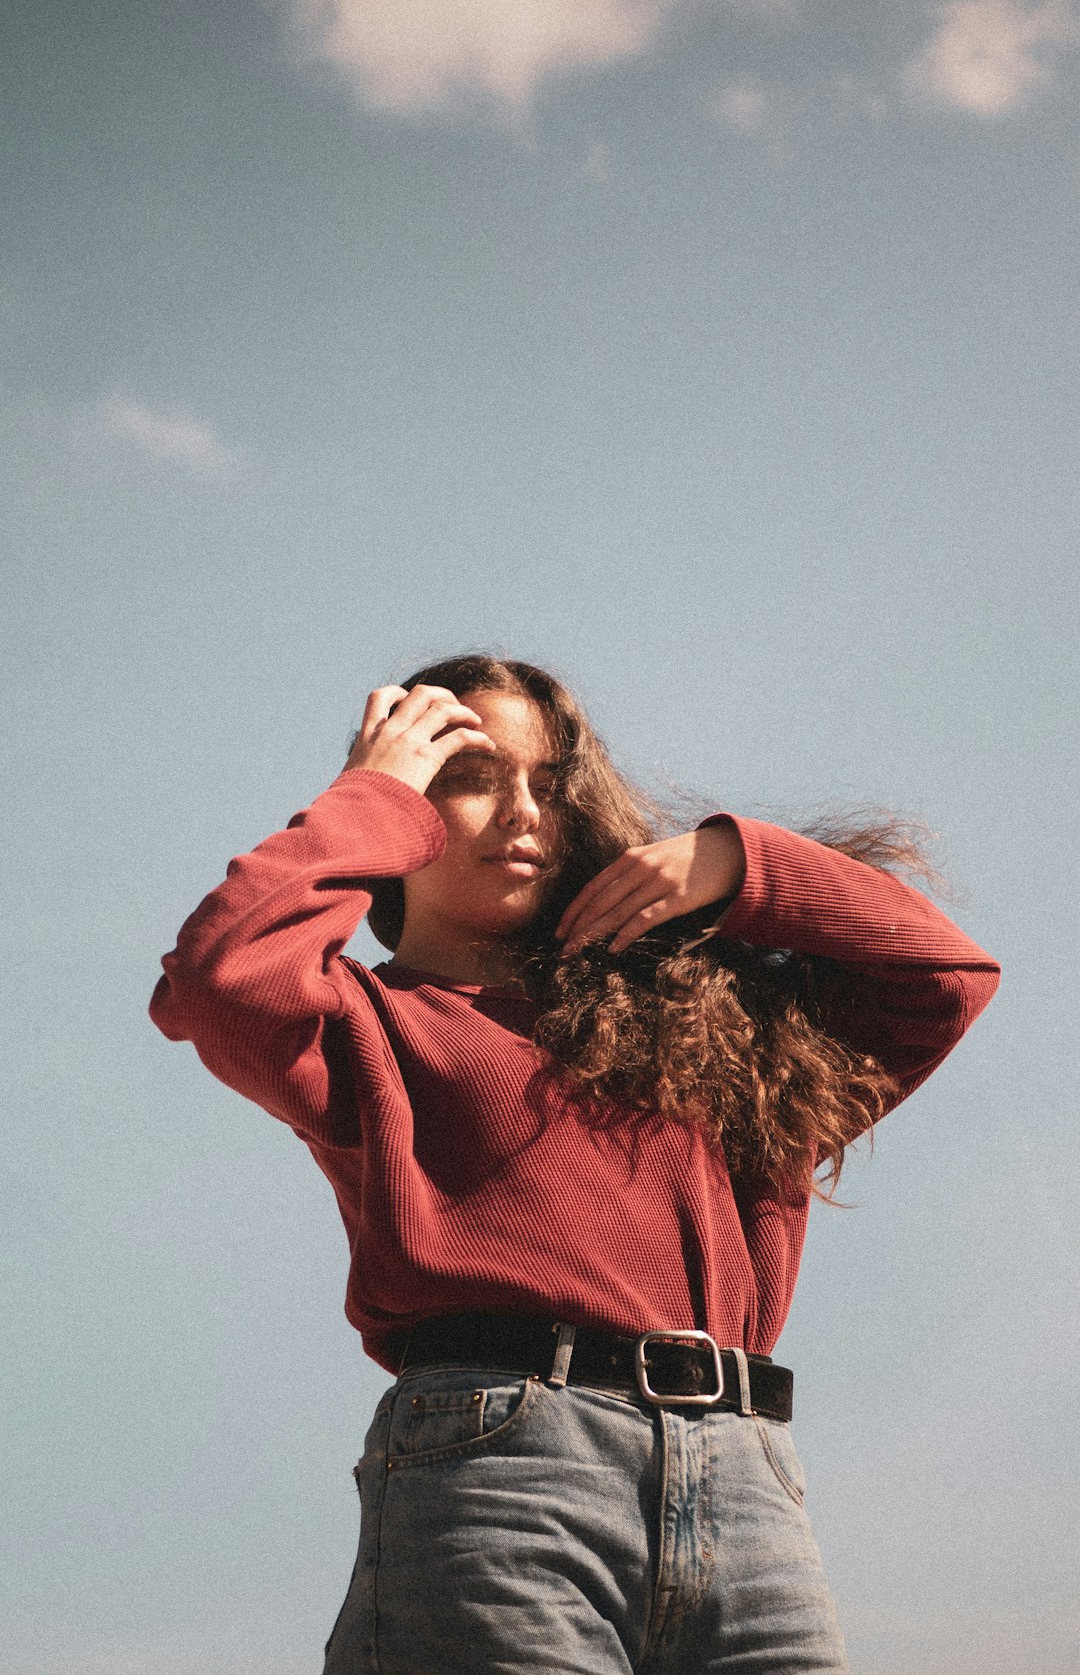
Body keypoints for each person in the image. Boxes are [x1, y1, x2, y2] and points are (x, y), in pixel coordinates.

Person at [150, 653, 1000, 1674]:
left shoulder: (705, 1031)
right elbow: (219, 979)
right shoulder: (366, 1025)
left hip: (750, 1485)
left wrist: (736, 866)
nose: (523, 812)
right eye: (470, 776)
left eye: (551, 784)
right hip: (503, 1478)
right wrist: (370, 796)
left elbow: (944, 977)